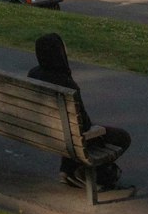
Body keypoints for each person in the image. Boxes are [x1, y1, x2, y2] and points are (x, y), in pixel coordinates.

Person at [27, 33, 130, 189]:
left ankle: (67, 170)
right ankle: (88, 172)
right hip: (72, 136)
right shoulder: (66, 84)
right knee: (122, 137)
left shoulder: (33, 74)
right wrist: (97, 130)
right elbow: (84, 125)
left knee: (69, 131)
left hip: (47, 131)